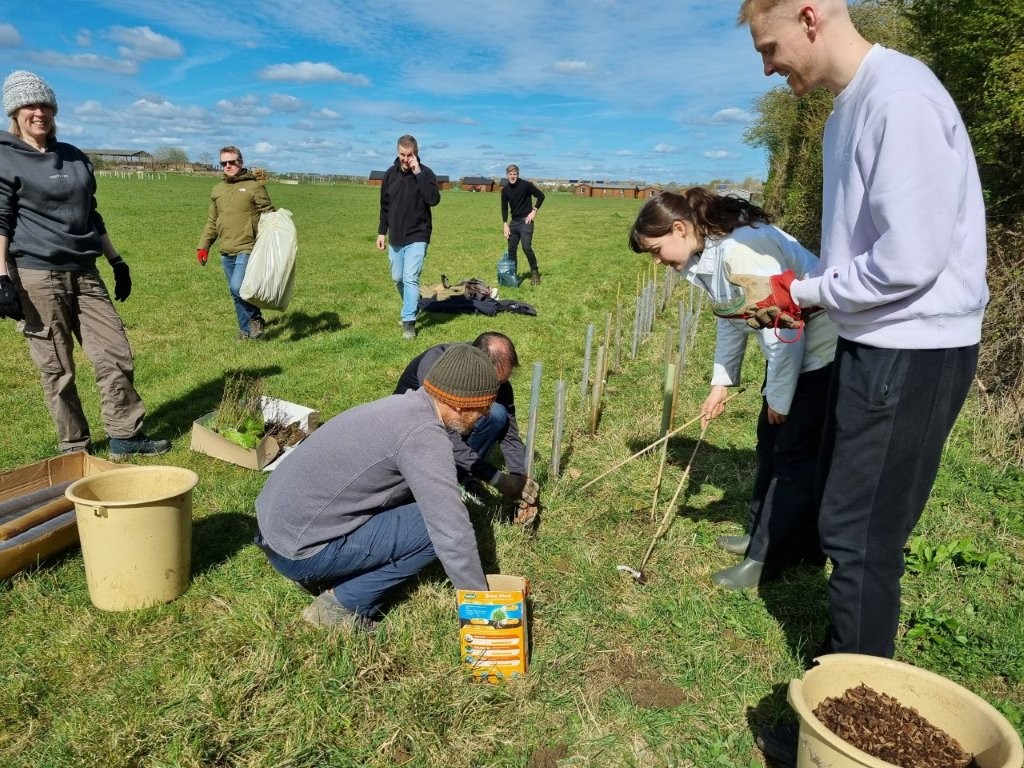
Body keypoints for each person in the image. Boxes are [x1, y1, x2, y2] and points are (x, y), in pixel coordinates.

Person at [738, 1, 987, 762]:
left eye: (769, 46)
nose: (768, 66)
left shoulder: (899, 97)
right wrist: (804, 290)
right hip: (874, 343)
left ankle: (849, 728)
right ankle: (838, 679)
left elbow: (908, 260)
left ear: (810, 16)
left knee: (862, 537)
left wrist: (806, 294)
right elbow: (863, 249)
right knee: (855, 524)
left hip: (910, 353)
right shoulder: (851, 108)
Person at [629, 189, 836, 590]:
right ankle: (759, 534)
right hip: (796, 354)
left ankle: (769, 556)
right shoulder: (709, 256)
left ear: (679, 228)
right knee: (769, 444)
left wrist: (779, 399)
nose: (656, 261)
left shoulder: (743, 249)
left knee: (791, 456)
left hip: (819, 352)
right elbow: (730, 318)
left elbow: (784, 328)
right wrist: (720, 384)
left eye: (656, 250)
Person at [255, 345, 536, 631]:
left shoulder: (404, 406)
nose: (488, 414)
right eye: (485, 407)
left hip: (276, 529)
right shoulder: (422, 437)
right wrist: (481, 607)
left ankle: (324, 572)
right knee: (431, 530)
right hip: (297, 550)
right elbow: (451, 531)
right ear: (463, 405)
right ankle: (339, 606)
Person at [0, 70, 169, 459]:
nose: (39, 112)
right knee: (57, 367)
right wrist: (1, 278)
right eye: (30, 105)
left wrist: (117, 260)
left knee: (115, 353)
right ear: (15, 111)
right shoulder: (4, 157)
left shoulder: (75, 157)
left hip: (86, 271)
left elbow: (91, 214)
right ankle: (74, 447)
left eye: (45, 104)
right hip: (37, 275)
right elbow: (1, 220)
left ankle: (125, 437)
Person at [394, 331, 540, 523]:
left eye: (502, 382)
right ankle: (443, 482)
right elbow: (442, 433)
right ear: (479, 365)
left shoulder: (494, 380)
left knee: (497, 414)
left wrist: (520, 481)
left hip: (451, 426)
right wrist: (495, 478)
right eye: (495, 382)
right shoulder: (437, 367)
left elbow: (509, 434)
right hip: (411, 432)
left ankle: (462, 477)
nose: (499, 388)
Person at [196, 145, 274, 341]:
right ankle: (245, 331)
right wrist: (204, 246)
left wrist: (273, 241)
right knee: (235, 292)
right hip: (226, 248)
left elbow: (269, 214)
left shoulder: (254, 187)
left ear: (241, 162)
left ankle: (255, 319)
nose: (228, 166)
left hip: (248, 246)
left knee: (238, 287)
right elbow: (213, 221)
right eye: (224, 163)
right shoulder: (218, 189)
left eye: (232, 162)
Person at [376, 135, 441, 340]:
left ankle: (409, 322)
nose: (405, 159)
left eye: (409, 155)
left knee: (411, 277)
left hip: (418, 235)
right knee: (398, 278)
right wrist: (381, 232)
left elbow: (433, 199)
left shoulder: (426, 173)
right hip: (396, 236)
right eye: (402, 155)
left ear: (416, 153)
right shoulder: (389, 175)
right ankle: (414, 303)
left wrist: (418, 172)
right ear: (397, 153)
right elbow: (384, 206)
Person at [501, 164, 546, 285]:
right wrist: (505, 224)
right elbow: (504, 208)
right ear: (507, 175)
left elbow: (541, 196)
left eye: (514, 174)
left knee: (526, 247)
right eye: (510, 174)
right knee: (511, 248)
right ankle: (512, 275)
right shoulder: (505, 190)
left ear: (518, 174)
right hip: (514, 222)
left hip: (526, 221)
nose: (512, 176)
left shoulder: (526, 185)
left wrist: (534, 211)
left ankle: (535, 272)